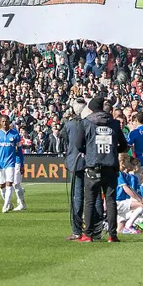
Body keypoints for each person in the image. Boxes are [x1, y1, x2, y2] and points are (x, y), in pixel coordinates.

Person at [80, 98, 128, 242]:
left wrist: (89, 152)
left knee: (90, 201)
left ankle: (88, 234)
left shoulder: (87, 123)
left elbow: (78, 145)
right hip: (110, 166)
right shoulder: (114, 123)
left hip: (93, 165)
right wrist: (113, 150)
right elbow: (124, 146)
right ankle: (112, 235)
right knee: (111, 201)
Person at [62, 100, 89, 240]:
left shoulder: (69, 124)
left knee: (77, 196)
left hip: (75, 161)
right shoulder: (89, 123)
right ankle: (92, 229)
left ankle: (77, 230)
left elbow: (64, 138)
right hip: (90, 161)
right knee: (92, 196)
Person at [0, 114, 25, 213]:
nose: (5, 123)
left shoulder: (15, 134)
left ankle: (5, 206)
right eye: (3, 121)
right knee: (1, 185)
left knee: (9, 183)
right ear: (0, 122)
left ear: (9, 122)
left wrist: (22, 164)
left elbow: (20, 151)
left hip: (11, 163)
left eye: (6, 121)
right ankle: (9, 203)